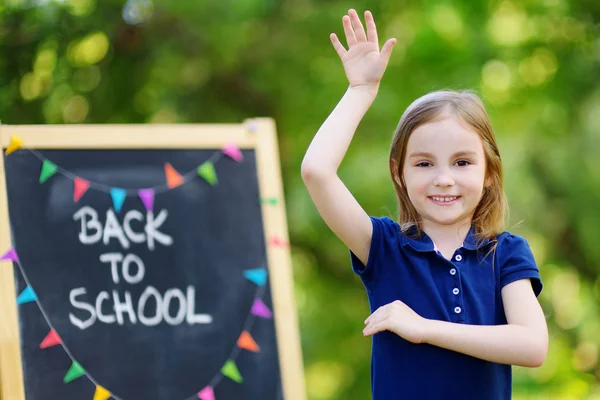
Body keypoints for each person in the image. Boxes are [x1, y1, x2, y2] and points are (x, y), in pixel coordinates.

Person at [300, 8, 549, 400]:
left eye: (462, 162)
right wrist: (360, 91)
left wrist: (425, 328)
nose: (443, 178)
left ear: (489, 173)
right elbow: (316, 170)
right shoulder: (382, 247)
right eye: (424, 163)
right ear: (399, 173)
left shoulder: (506, 253)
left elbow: (533, 346)